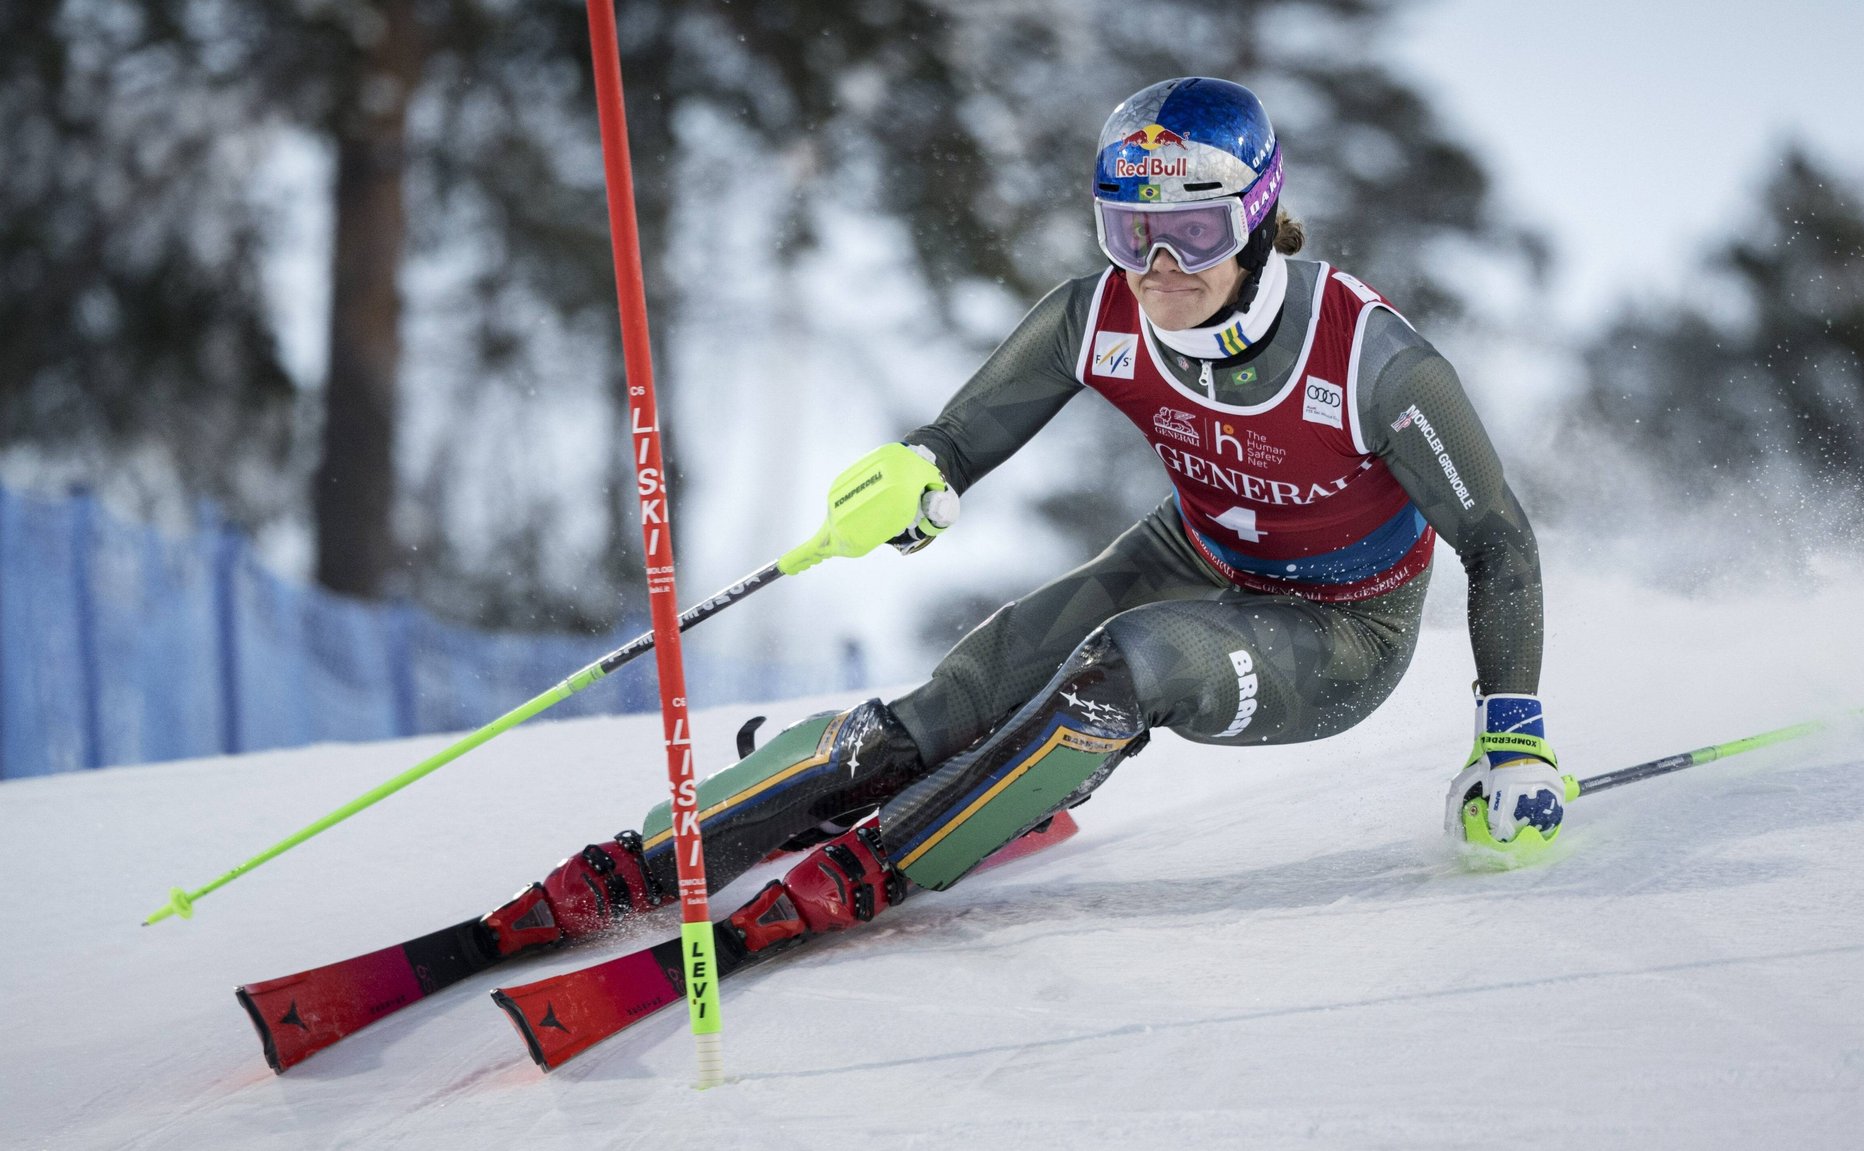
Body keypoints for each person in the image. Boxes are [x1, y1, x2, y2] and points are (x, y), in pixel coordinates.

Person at [481, 77, 1563, 963]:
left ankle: (875, 864)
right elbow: (954, 442)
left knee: (1121, 667)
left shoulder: (1369, 357)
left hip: (1339, 626)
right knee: (937, 711)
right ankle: (650, 855)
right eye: (1128, 231)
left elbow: (1498, 538)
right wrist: (910, 480)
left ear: (1256, 220)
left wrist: (1510, 736)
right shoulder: (1095, 316)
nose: (1158, 268)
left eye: (1190, 230)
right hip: (1190, 555)